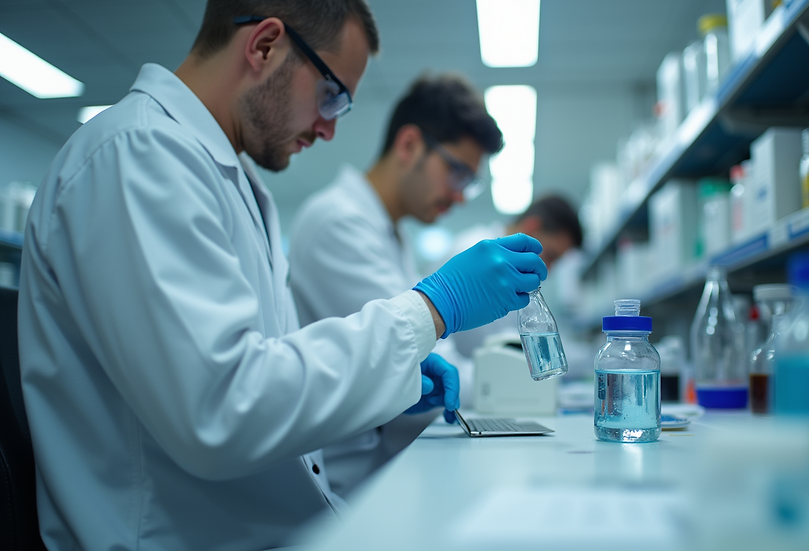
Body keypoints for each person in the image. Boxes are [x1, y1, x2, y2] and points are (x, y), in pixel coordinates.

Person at [16, 1, 547, 550]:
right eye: (331, 95)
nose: (329, 128)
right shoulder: (136, 155)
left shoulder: (225, 177)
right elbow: (222, 409)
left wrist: (394, 382)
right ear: (264, 46)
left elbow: (269, 370)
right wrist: (433, 309)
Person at [287, 72, 503, 497]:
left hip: (380, 468)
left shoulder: (389, 231)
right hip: (345, 486)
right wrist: (532, 382)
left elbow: (421, 363)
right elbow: (412, 352)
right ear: (409, 145)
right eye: (457, 172)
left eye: (469, 183)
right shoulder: (339, 222)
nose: (460, 195)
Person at [449, 194, 584, 358]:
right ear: (532, 227)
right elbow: (503, 348)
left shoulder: (515, 273)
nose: (548, 269)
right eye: (550, 256)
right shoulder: (473, 253)